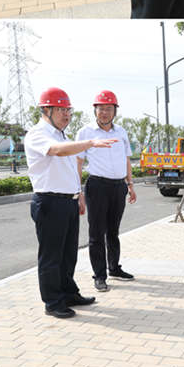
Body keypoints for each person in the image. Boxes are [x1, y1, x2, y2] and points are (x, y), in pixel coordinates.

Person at [25, 88, 118, 319]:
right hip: (49, 202)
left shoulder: (62, 136)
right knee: (52, 256)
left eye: (68, 110)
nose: (66, 115)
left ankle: (68, 293)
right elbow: (56, 152)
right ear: (46, 110)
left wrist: (78, 194)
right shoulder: (38, 134)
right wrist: (90, 143)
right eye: (61, 110)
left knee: (68, 254)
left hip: (67, 202)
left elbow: (69, 169)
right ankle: (53, 302)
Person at [76, 90, 136, 292]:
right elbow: (78, 162)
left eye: (109, 109)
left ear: (115, 111)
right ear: (95, 110)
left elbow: (126, 159)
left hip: (118, 186)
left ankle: (114, 268)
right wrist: (78, 190)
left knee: (113, 231)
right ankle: (99, 275)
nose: (104, 112)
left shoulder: (121, 132)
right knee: (96, 233)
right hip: (97, 186)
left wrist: (130, 184)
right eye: (101, 108)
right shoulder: (85, 132)